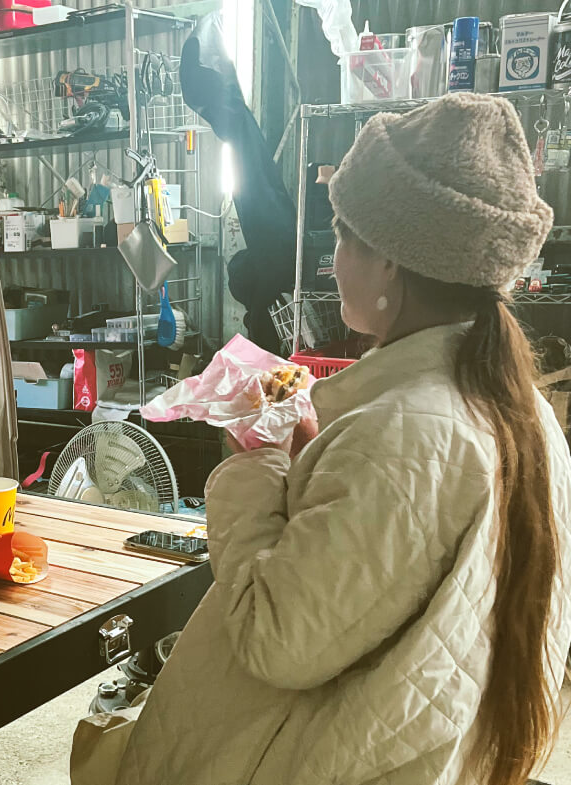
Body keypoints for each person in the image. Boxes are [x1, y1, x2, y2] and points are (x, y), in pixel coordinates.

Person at [70, 92, 571, 785]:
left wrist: (257, 464)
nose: (332, 263)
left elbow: (276, 638)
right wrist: (314, 464)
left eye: (342, 235)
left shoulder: (404, 435)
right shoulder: (517, 406)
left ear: (390, 258)